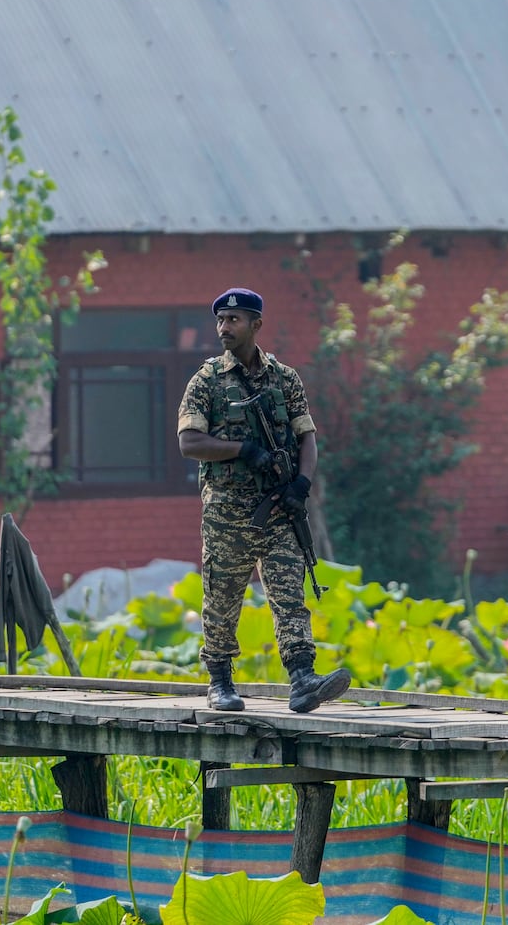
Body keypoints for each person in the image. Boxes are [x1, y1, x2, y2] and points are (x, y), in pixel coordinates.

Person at [177, 288, 352, 714]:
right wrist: (242, 451)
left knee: (289, 593)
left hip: (277, 508)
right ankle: (219, 681)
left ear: (256, 324)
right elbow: (189, 442)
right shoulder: (207, 381)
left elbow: (307, 436)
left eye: (234, 320)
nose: (224, 328)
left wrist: (302, 485)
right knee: (223, 597)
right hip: (227, 513)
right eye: (220, 320)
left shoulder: (284, 378)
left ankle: (302, 678)